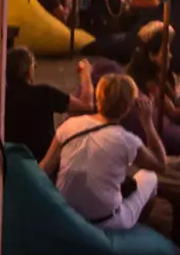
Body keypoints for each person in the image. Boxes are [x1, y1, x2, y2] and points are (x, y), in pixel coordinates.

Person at [41, 75, 164, 230]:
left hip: (66, 214)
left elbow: (44, 168)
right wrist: (147, 122)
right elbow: (160, 164)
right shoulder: (126, 140)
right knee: (150, 176)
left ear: (98, 98)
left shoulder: (69, 125)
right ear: (128, 106)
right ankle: (132, 233)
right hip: (105, 222)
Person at [4, 47, 92, 160]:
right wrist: (85, 74)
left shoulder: (0, 97)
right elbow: (86, 106)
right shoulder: (44, 93)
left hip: (9, 161)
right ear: (29, 70)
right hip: (43, 162)